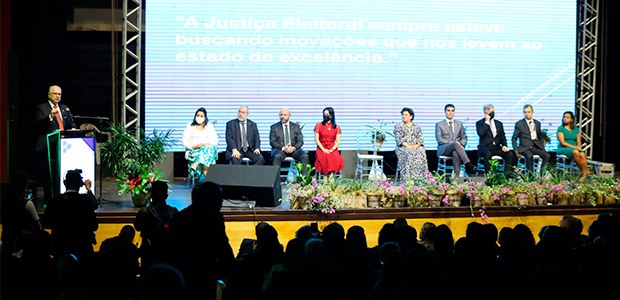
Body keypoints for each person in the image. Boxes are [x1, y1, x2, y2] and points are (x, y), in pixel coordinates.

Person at [43, 169, 98, 261]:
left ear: (64, 183)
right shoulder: (86, 200)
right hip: (82, 246)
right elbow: (94, 224)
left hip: (60, 246)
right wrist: (89, 190)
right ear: (80, 184)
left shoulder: (55, 201)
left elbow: (47, 223)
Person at [35, 85, 77, 202]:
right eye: (55, 94)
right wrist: (50, 116)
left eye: (59, 94)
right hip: (48, 146)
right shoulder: (42, 108)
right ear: (49, 95)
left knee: (61, 173)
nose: (57, 96)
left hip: (63, 146)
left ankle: (63, 196)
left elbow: (71, 123)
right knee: (48, 175)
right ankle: (49, 199)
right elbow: (38, 124)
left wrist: (73, 128)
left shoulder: (64, 108)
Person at [134, 180, 179, 275]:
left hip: (149, 253)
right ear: (166, 196)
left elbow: (138, 227)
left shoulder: (144, 212)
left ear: (151, 195)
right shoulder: (174, 212)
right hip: (168, 253)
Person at [435, 104, 477, 177]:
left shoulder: (459, 123)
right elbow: (440, 140)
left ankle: (456, 178)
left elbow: (464, 137)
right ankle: (468, 164)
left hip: (457, 149)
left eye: (452, 111)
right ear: (445, 112)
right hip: (443, 148)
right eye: (448, 111)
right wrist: (455, 144)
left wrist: (461, 144)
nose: (450, 112)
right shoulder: (439, 124)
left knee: (455, 152)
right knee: (455, 145)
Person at [475, 104, 515, 176]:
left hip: (496, 147)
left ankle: (507, 177)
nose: (492, 113)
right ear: (485, 112)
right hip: (484, 148)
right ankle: (489, 177)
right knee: (488, 154)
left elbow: (503, 136)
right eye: (490, 111)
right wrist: (487, 122)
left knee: (509, 154)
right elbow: (481, 133)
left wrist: (504, 145)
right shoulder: (479, 123)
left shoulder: (499, 123)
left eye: (493, 111)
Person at [511, 104, 551, 173]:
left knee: (547, 155)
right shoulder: (519, 124)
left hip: (535, 146)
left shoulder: (537, 123)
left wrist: (542, 144)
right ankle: (530, 178)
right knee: (529, 156)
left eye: (528, 112)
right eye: (525, 112)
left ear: (532, 112)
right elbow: (514, 138)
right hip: (525, 147)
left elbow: (539, 136)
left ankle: (541, 175)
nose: (527, 114)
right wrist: (516, 150)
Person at [269, 108, 309, 174]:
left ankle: (304, 180)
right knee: (277, 156)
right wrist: (283, 148)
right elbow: (272, 141)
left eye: (285, 115)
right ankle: (276, 181)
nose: (283, 117)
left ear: (289, 115)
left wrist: (293, 148)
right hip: (280, 149)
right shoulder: (274, 127)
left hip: (293, 149)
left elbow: (300, 141)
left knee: (304, 156)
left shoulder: (296, 127)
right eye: (281, 115)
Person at [182, 107, 219, 180]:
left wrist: (205, 144)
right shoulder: (190, 127)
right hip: (194, 150)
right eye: (198, 115)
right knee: (205, 154)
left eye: (201, 116)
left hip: (208, 149)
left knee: (206, 149)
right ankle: (208, 179)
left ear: (205, 118)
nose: (199, 117)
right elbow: (184, 142)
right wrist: (194, 146)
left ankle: (197, 163)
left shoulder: (209, 127)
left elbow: (215, 141)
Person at [394, 107, 429, 179]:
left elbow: (420, 139)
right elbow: (399, 139)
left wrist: (416, 146)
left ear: (411, 116)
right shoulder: (398, 126)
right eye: (403, 114)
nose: (404, 116)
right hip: (403, 147)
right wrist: (408, 146)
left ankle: (421, 178)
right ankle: (409, 179)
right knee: (409, 153)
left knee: (421, 151)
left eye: (406, 114)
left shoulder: (416, 127)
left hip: (415, 146)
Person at [556, 111, 591, 182]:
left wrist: (579, 147)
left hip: (575, 148)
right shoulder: (561, 128)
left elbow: (579, 142)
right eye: (564, 117)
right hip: (563, 148)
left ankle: (584, 174)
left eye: (567, 117)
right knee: (575, 152)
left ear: (571, 119)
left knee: (582, 154)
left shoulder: (576, 129)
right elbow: (563, 142)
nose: (565, 119)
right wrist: (575, 148)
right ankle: (585, 172)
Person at [314, 107, 344, 176]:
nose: (325, 115)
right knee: (325, 157)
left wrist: (332, 149)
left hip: (332, 147)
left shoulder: (336, 127)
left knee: (335, 157)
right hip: (321, 147)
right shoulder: (319, 125)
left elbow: (338, 141)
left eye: (327, 114)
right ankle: (324, 178)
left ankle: (331, 178)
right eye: (324, 114)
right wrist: (324, 149)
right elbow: (317, 140)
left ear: (331, 115)